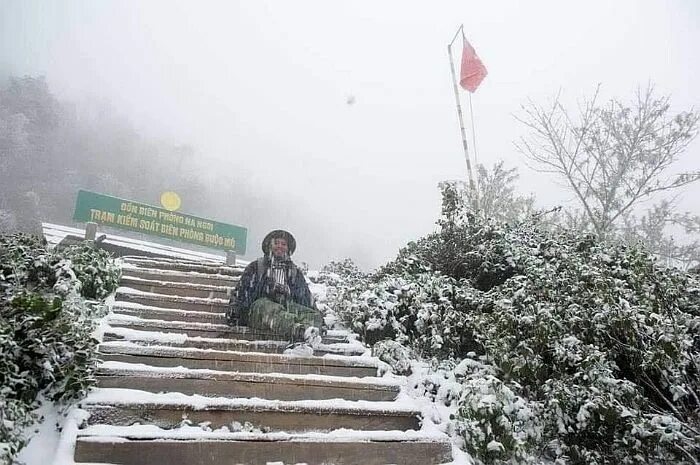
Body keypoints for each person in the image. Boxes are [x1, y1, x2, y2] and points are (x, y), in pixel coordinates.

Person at [227, 229, 323, 344]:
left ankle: (305, 337)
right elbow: (242, 291)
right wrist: (234, 312)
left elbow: (306, 297)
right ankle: (300, 333)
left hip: (287, 308)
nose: (280, 246)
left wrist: (318, 317)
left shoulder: (294, 272)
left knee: (312, 315)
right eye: (276, 243)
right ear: (269, 246)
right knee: (268, 306)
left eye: (283, 244)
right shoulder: (256, 266)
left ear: (288, 248)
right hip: (260, 311)